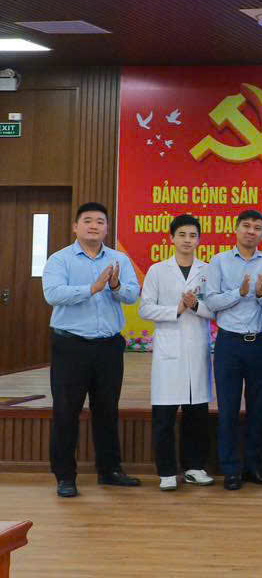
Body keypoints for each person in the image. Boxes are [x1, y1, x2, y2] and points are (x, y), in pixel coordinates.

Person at [41, 201, 142, 498]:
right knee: (66, 411)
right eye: (87, 220)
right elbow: (53, 294)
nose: (94, 226)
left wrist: (115, 286)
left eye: (100, 221)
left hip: (108, 347)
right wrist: (92, 288)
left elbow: (133, 295)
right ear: (75, 227)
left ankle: (109, 470)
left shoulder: (119, 259)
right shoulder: (60, 259)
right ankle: (65, 476)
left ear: (107, 228)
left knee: (107, 410)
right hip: (71, 345)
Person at [203, 209, 262, 491]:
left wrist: (260, 295)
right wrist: (239, 292)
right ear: (235, 229)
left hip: (260, 343)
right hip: (229, 344)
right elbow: (211, 302)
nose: (251, 231)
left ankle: (253, 467)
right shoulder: (219, 261)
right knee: (228, 409)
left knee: (257, 410)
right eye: (246, 226)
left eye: (257, 227)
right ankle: (230, 470)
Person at [138, 214, 215, 491]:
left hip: (197, 349)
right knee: (164, 416)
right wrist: (177, 309)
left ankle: (194, 467)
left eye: (193, 235)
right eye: (182, 234)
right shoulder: (157, 270)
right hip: (169, 351)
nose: (187, 240)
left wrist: (195, 306)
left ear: (199, 240)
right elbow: (145, 309)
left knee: (197, 414)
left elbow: (216, 309)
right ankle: (167, 471)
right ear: (171, 238)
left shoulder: (208, 271)